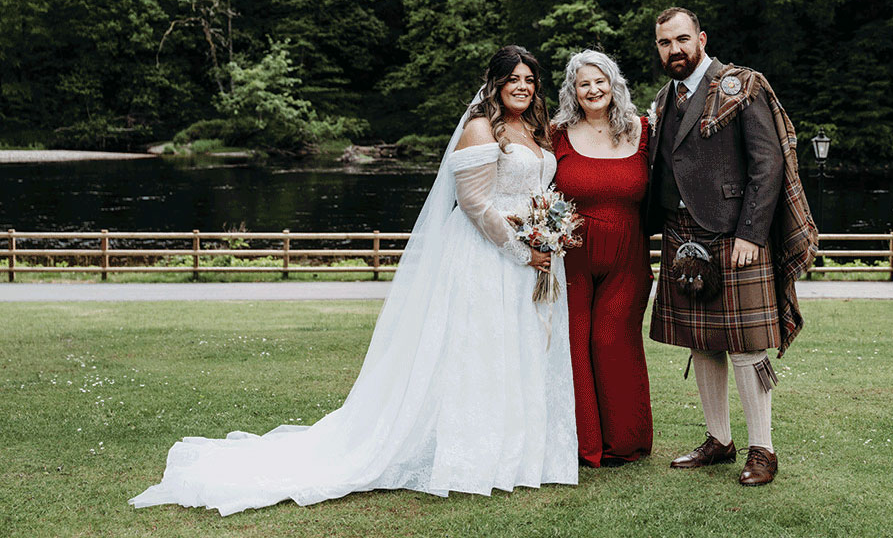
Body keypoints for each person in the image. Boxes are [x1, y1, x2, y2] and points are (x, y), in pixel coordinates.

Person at [130, 46, 577, 515]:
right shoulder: (481, 128)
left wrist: (546, 235)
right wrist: (522, 250)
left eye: (529, 79)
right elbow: (475, 205)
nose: (523, 86)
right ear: (496, 84)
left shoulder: (533, 129)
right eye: (514, 79)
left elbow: (535, 192)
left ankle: (518, 451)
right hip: (490, 260)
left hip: (531, 260)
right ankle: (473, 455)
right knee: (480, 350)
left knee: (517, 349)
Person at [646, 8, 817, 487]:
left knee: (746, 346)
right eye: (664, 43)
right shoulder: (665, 98)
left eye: (682, 39)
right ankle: (719, 439)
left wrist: (751, 231)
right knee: (702, 343)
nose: (674, 49)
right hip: (681, 234)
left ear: (701, 38)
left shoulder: (741, 86)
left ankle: (763, 449)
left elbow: (769, 164)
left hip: (733, 234)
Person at [551, 50, 653, 468]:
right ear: (573, 91)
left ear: (615, 85)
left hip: (627, 254)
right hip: (571, 255)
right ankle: (580, 443)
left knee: (612, 341)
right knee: (574, 344)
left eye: (600, 81)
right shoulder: (556, 131)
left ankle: (624, 443)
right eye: (584, 84)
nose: (593, 90)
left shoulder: (642, 130)